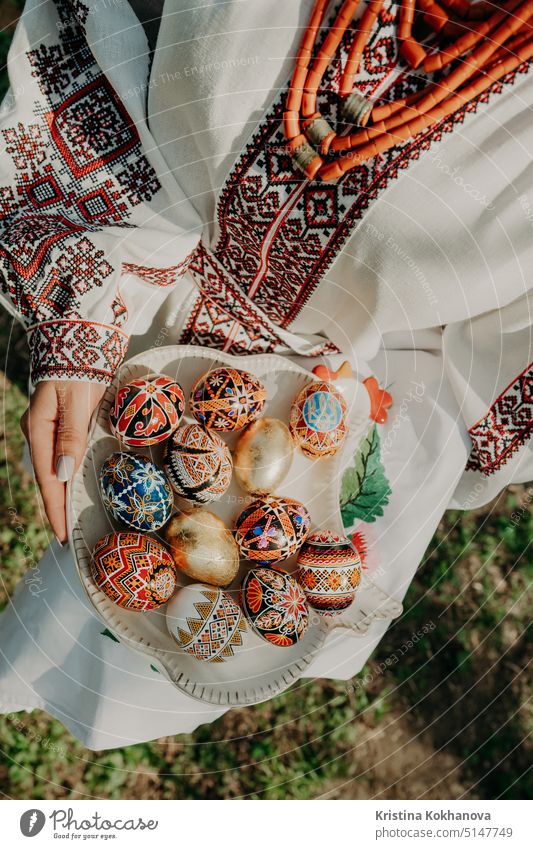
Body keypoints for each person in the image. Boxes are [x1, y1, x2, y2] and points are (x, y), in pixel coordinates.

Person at [0, 0, 531, 749]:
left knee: (126, 622)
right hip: (130, 288)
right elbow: (103, 28)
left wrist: (336, 470)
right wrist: (82, 304)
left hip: (296, 429)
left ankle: (51, 683)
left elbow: (487, 376)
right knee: (76, 505)